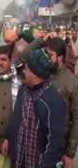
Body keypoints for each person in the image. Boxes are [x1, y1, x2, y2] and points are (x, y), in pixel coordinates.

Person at [20, 32, 78, 168]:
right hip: (32, 143)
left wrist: (69, 154)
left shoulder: (71, 83)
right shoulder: (41, 71)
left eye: (49, 55)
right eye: (44, 54)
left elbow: (76, 120)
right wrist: (41, 41)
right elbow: (24, 57)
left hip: (56, 147)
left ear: (60, 57)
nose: (45, 58)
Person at [3, 48, 65, 168]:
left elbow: (55, 142)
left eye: (26, 69)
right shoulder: (24, 90)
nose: (24, 72)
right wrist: (7, 137)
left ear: (35, 74)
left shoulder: (53, 101)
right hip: (18, 159)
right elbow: (16, 118)